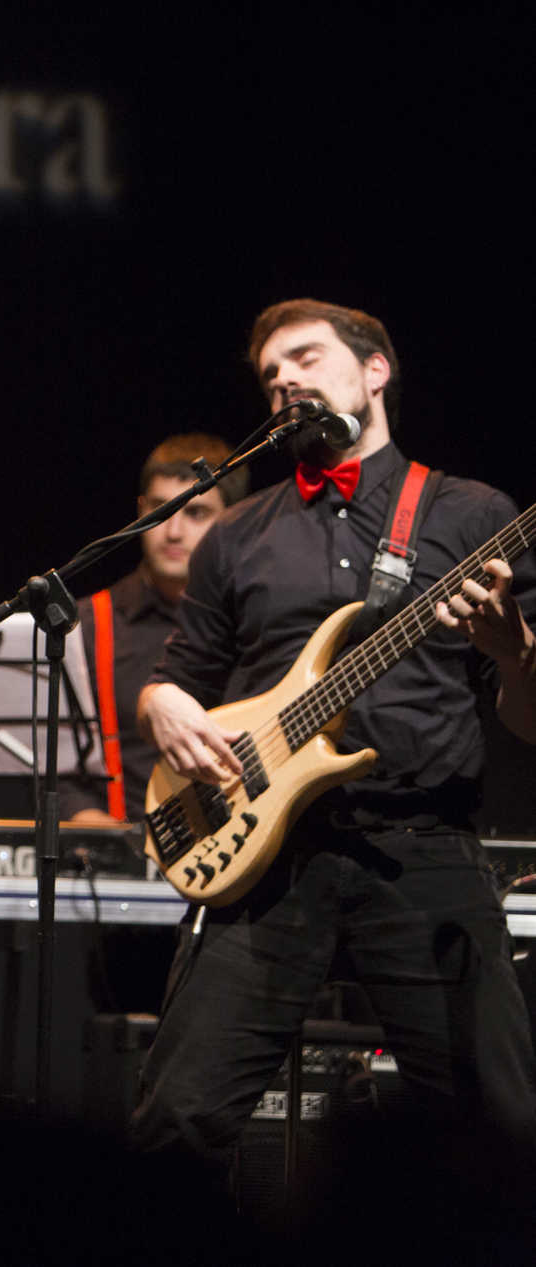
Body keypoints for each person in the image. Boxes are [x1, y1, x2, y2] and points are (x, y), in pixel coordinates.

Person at [131, 298, 536, 1174]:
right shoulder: (235, 532)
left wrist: (513, 650)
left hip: (420, 850)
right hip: (266, 854)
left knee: (500, 1133)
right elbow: (182, 675)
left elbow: (530, 718)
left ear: (375, 371)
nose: (284, 380)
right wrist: (159, 702)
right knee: (173, 1126)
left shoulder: (472, 514)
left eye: (306, 357)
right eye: (270, 373)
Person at [63, 434, 248, 825]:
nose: (173, 531)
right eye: (161, 510)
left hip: (248, 839)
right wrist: (99, 830)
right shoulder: (88, 625)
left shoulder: (255, 620)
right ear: (140, 511)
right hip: (122, 850)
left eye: (196, 512)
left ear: (233, 520)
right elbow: (57, 771)